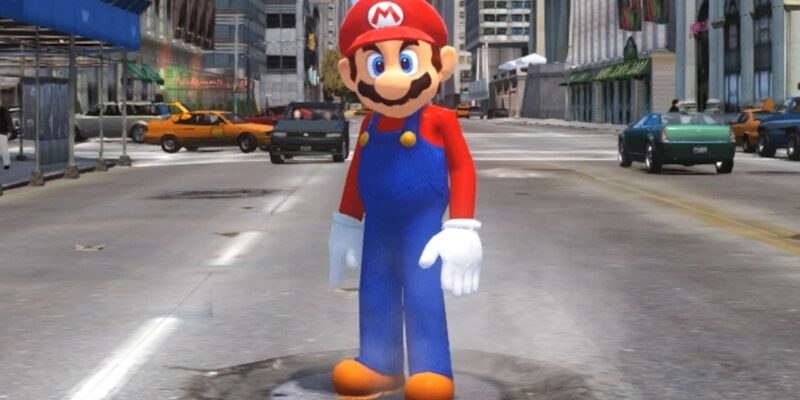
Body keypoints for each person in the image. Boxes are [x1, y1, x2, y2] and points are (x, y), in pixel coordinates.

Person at [328, 1, 482, 399]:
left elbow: (462, 169)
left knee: (421, 293)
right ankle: (379, 364)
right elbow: (356, 174)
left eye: (407, 61)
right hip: (378, 227)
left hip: (421, 228)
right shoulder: (369, 122)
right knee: (374, 291)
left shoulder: (440, 120)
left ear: (442, 64)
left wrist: (462, 226)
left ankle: (432, 368)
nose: (391, 79)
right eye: (376, 65)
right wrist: (346, 222)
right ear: (350, 74)